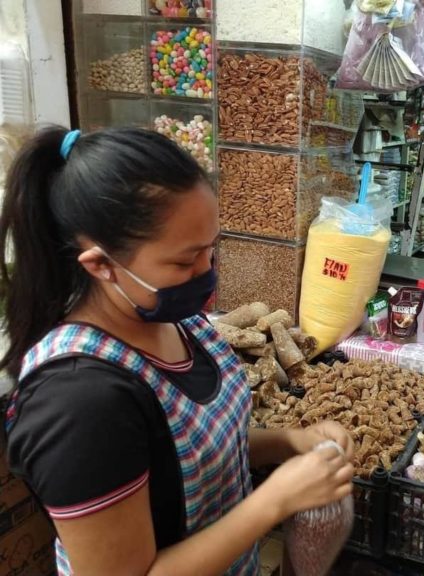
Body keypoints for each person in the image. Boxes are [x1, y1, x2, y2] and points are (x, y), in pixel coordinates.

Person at [0, 126, 355, 575]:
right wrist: (274, 501)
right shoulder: (78, 404)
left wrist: (289, 443)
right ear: (101, 265)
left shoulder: (177, 322)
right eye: (184, 261)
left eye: (210, 251)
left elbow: (193, 454)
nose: (205, 273)